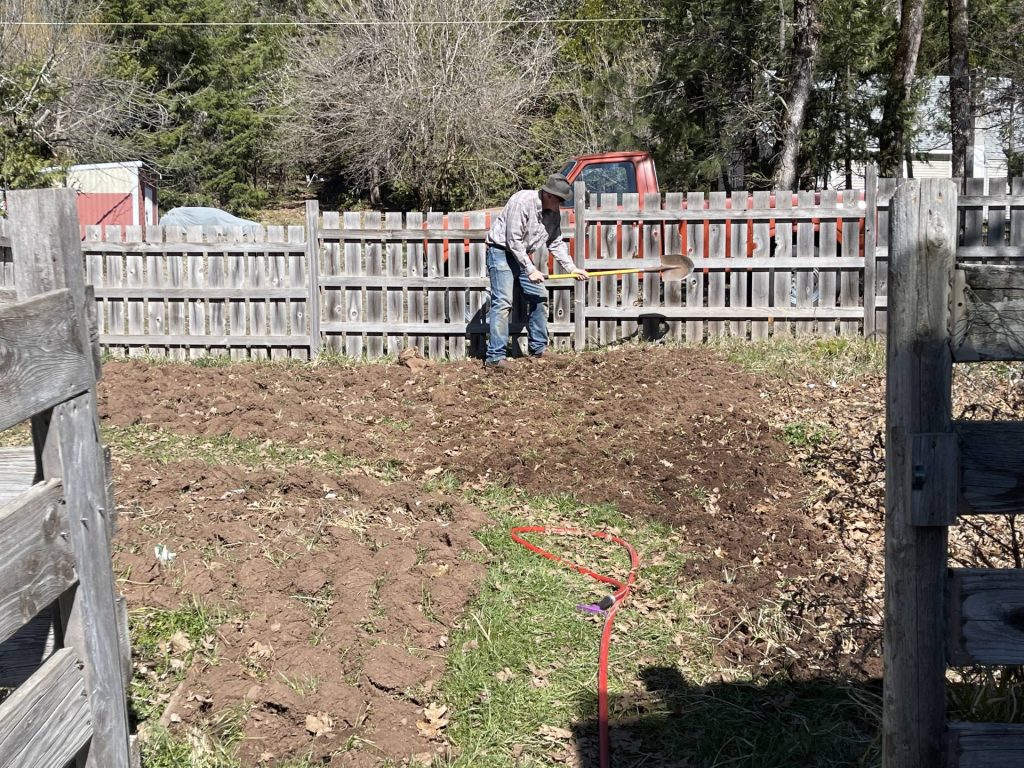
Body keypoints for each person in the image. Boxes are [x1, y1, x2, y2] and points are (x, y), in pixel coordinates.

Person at [483, 173, 588, 371]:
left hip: (521, 255)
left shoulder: (553, 213)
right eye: (560, 200)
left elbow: (555, 242)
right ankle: (495, 358)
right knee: (503, 302)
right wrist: (530, 269)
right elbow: (512, 240)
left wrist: (572, 268)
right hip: (500, 252)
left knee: (539, 296)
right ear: (549, 195)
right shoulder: (522, 201)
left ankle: (539, 348)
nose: (562, 204)